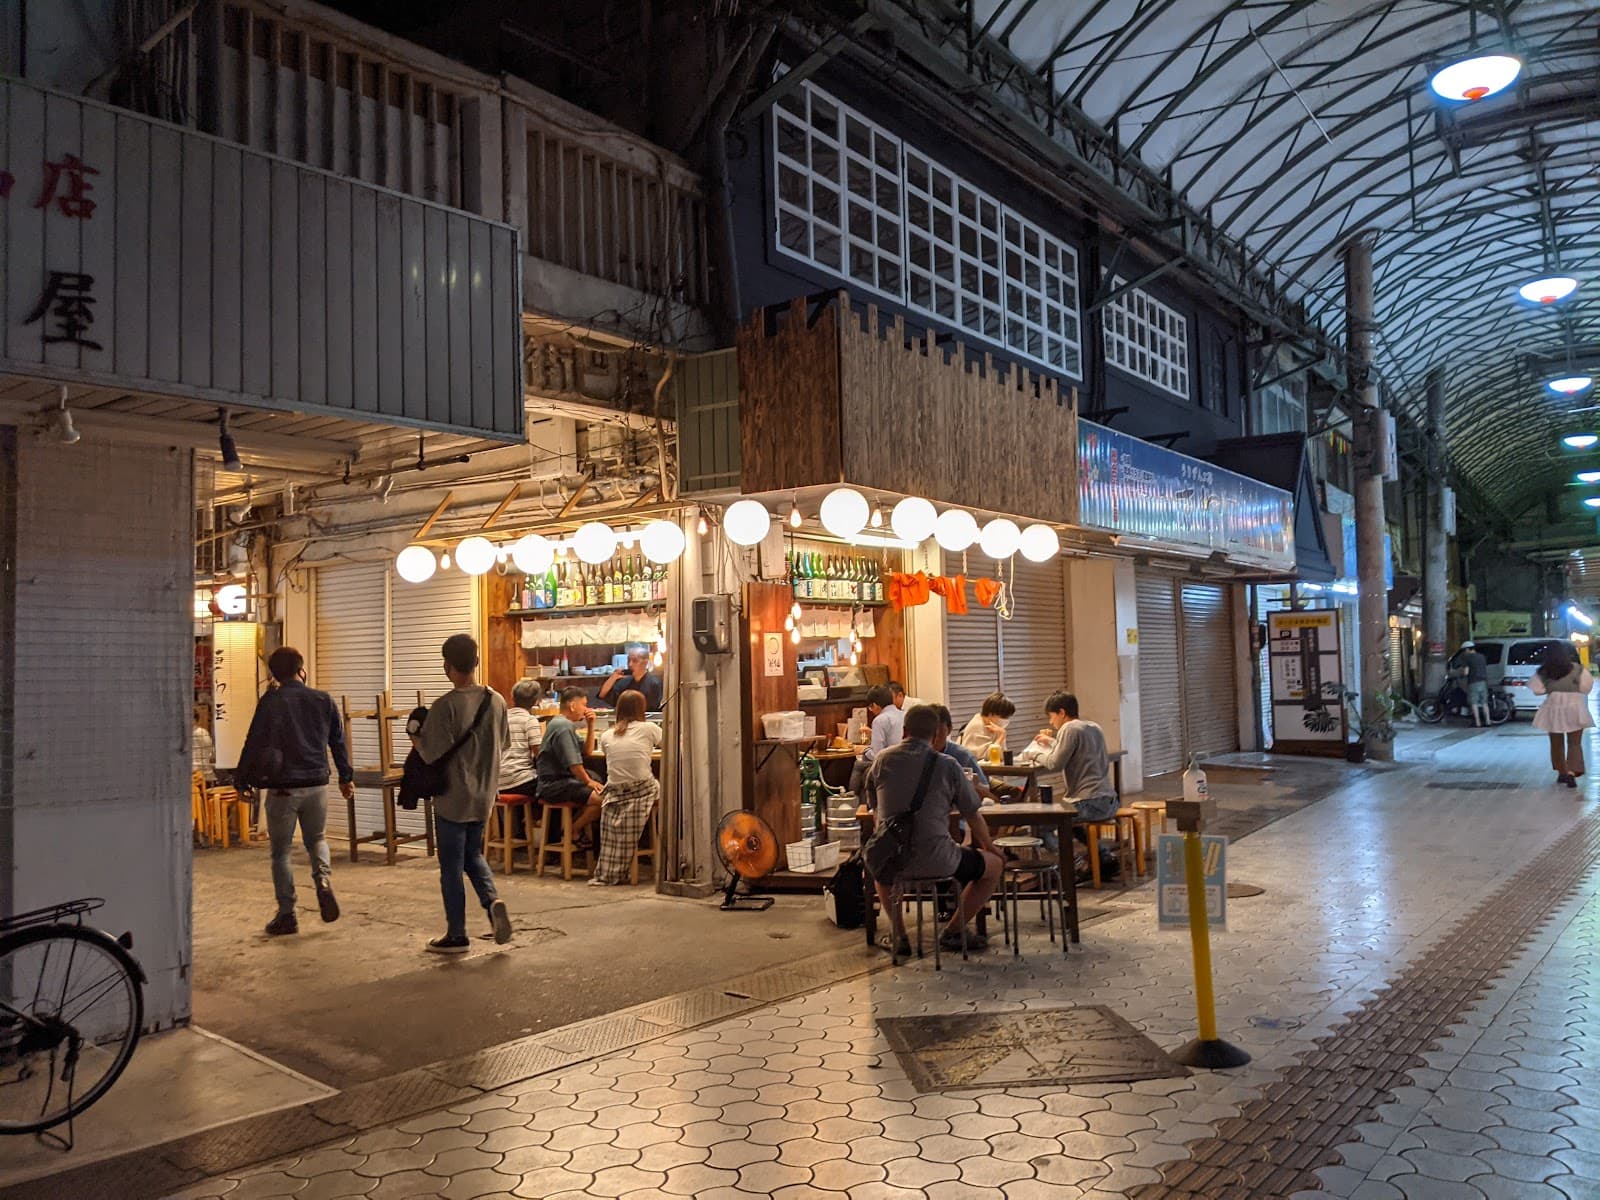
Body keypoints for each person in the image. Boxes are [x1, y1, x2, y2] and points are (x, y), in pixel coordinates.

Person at [235, 646, 355, 937]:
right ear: (302, 670)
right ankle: (323, 883)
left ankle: (287, 914)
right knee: (317, 839)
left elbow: (253, 741)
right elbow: (338, 742)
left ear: (274, 675)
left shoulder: (270, 702)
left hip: (282, 789)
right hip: (316, 784)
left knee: (281, 852)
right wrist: (346, 778)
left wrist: (242, 779)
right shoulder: (323, 699)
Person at [864, 704, 1002, 955]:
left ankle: (899, 936)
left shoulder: (883, 759)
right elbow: (972, 812)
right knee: (993, 866)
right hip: (941, 860)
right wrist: (990, 847)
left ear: (904, 730)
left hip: (895, 860)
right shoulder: (949, 765)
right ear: (937, 733)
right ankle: (954, 931)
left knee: (880, 870)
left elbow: (875, 808)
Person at [415, 634, 512, 954]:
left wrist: (415, 733)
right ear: (476, 661)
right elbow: (505, 744)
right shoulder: (496, 701)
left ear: (447, 666)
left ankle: (456, 934)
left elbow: (430, 754)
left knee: (451, 867)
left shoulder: (445, 706)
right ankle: (491, 900)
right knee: (473, 855)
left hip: (453, 798)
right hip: (484, 795)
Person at [591, 691, 663, 886]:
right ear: (642, 708)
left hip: (615, 794)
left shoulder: (606, 735)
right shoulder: (650, 728)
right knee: (662, 787)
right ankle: (666, 856)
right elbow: (668, 745)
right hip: (641, 791)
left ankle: (610, 866)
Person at [1036, 691, 1119, 824]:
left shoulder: (1068, 728)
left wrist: (1034, 754)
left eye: (1051, 716)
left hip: (1088, 803)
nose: (1050, 722)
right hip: (1110, 802)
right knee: (1066, 818)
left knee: (1042, 821)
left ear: (1061, 713)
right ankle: (1094, 845)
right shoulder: (1094, 727)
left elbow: (1054, 764)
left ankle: (1057, 846)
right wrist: (1051, 741)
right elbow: (1076, 748)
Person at [537, 686, 606, 845]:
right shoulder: (563, 726)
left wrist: (591, 725)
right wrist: (588, 781)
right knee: (605, 800)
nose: (586, 709)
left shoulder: (563, 724)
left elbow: (587, 752)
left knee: (602, 794)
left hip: (561, 782)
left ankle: (570, 830)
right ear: (572, 706)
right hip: (554, 785)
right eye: (583, 704)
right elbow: (574, 764)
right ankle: (571, 830)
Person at [1529, 642, 1593, 789]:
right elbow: (1586, 687)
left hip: (1554, 706)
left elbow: (1537, 690)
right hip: (1575, 706)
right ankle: (1572, 772)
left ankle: (1562, 771)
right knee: (1575, 742)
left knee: (1556, 742)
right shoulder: (1577, 669)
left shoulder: (1544, 671)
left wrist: (1552, 687)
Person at [849, 685, 905, 794]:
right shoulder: (905, 714)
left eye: (870, 708)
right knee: (865, 772)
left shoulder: (879, 720)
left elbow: (877, 755)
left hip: (889, 763)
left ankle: (850, 799)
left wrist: (864, 751)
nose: (871, 711)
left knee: (858, 764)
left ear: (875, 705)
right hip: (906, 762)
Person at [932, 705, 995, 803]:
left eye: (939, 733)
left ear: (949, 729)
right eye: (930, 732)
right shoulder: (917, 756)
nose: (934, 739)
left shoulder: (962, 756)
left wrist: (968, 785)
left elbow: (985, 791)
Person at [499, 680, 544, 800]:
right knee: (551, 788)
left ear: (512, 698)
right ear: (536, 702)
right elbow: (539, 753)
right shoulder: (529, 720)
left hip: (496, 781)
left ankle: (523, 818)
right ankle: (537, 819)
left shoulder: (500, 718)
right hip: (520, 780)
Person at [598, 645, 663, 712]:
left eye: (635, 661)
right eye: (628, 660)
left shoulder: (654, 683)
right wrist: (613, 678)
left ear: (645, 662)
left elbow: (652, 708)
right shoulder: (624, 682)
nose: (630, 664)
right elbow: (602, 695)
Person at [959, 693, 1015, 759]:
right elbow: (990, 757)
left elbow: (1002, 756)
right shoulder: (977, 726)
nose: (1006, 720)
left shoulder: (995, 727)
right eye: (1004, 717)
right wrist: (1001, 736)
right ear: (991, 714)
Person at [1451, 640, 1491, 727]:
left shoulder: (1468, 658)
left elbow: (1466, 672)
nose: (1464, 653)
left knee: (1474, 703)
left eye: (1464, 651)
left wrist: (1459, 674)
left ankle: (1478, 723)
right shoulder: (1482, 657)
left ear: (1467, 650)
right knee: (1484, 703)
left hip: (1473, 682)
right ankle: (1488, 721)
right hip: (1483, 682)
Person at [192, 704, 216, 783]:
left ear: (194, 719)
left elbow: (210, 751)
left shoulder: (200, 732)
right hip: (196, 774)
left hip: (203, 774)